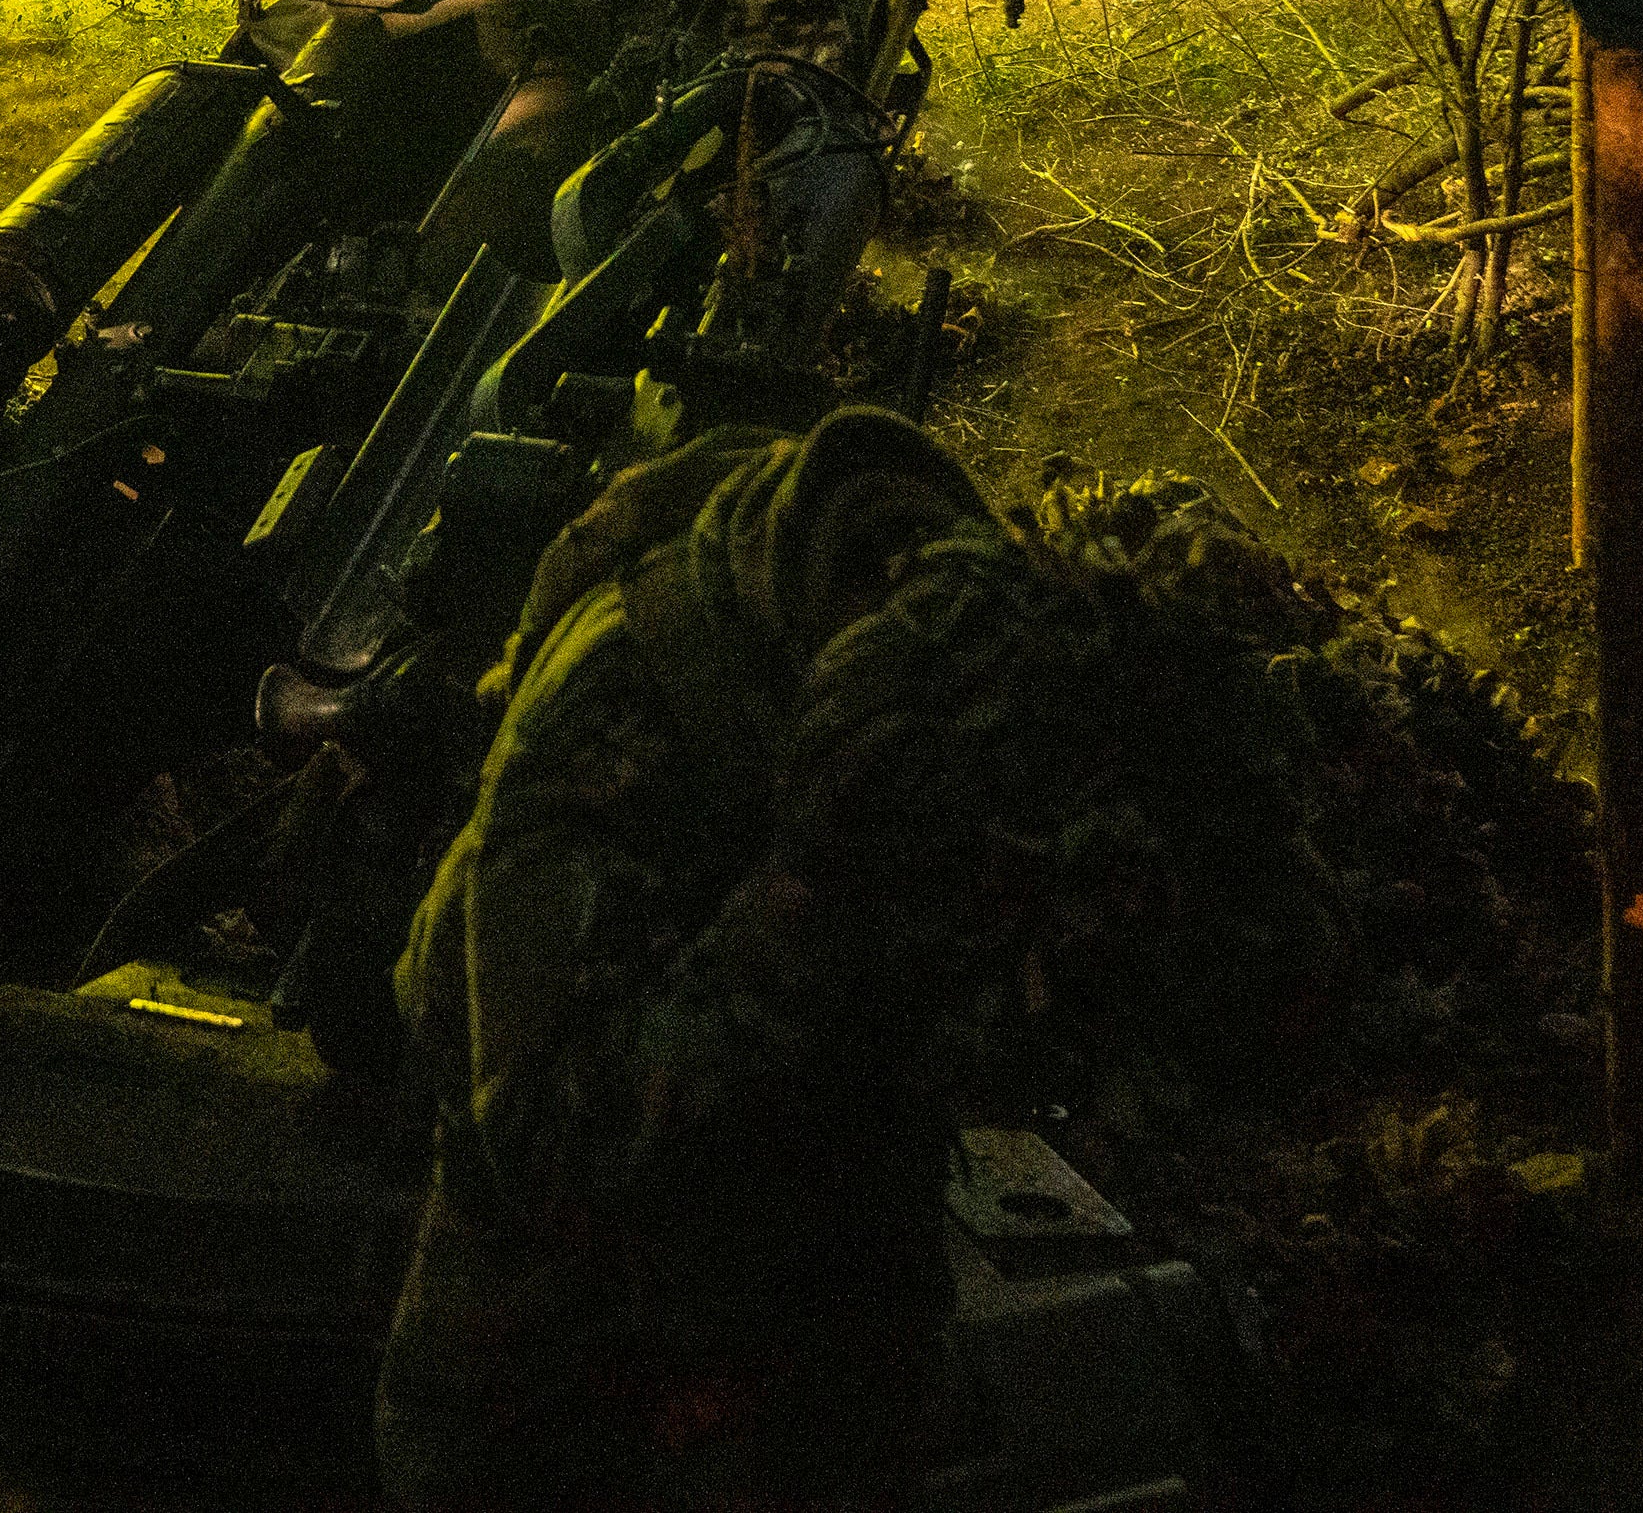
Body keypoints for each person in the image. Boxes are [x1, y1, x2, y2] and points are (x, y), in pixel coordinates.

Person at [373, 403, 1298, 1513]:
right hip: (558, 1288)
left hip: (831, 1229)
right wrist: (811, 902)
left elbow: (1251, 999)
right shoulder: (624, 708)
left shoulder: (1000, 652)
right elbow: (546, 1139)